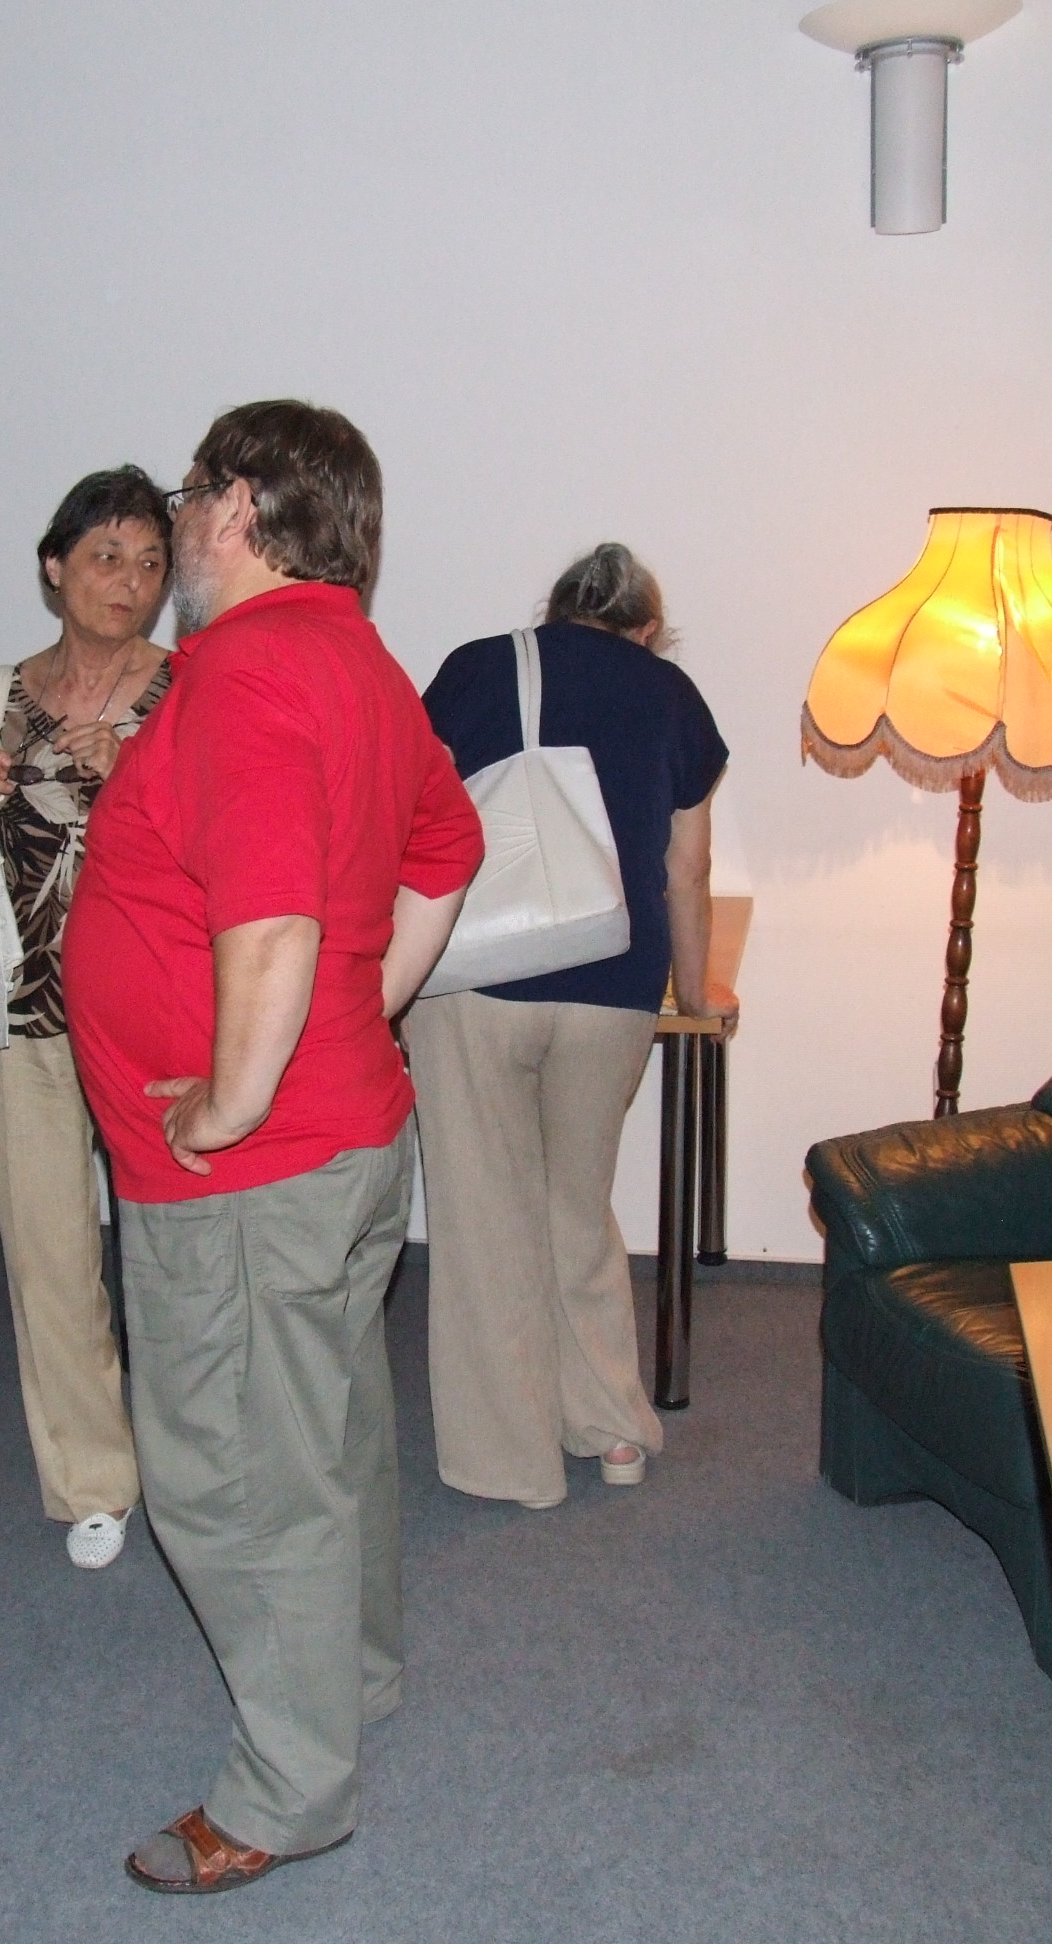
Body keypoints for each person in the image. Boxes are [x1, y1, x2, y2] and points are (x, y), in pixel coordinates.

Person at [63, 401, 484, 1894]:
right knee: (330, 1431)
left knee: (238, 1477)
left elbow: (271, 918)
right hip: (345, 1138)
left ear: (239, 506)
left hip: (253, 1169)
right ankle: (348, 1680)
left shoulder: (245, 670)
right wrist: (364, 1011)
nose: (177, 521)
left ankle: (288, 1793)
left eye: (189, 495)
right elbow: (448, 850)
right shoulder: (359, 662)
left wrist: (231, 1100)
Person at [407, 544, 728, 1508]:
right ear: (645, 628)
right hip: (613, 981)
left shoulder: (474, 668)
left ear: (553, 611)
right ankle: (612, 1428)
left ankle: (509, 1462)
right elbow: (687, 872)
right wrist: (696, 996)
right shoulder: (671, 694)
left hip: (472, 977)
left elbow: (410, 816)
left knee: (483, 1220)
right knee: (578, 1208)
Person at [0, 467, 172, 1570]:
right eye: (105, 556)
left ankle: (195, 1454)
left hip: (159, 1011)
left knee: (178, 1251)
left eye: (150, 562)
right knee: (49, 1253)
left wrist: (137, 779)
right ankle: (92, 1479)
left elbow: (225, 849)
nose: (129, 581)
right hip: (26, 1005)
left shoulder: (190, 691)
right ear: (54, 566)